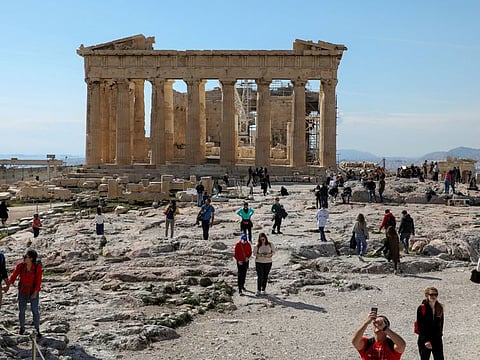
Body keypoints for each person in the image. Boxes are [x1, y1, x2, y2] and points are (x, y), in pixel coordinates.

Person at [8, 248, 43, 337]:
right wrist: (8, 285)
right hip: (23, 291)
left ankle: (37, 329)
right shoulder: (20, 266)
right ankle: (22, 328)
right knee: (22, 310)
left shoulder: (37, 267)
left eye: (25, 256)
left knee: (35, 310)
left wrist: (35, 292)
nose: (23, 258)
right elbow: (13, 276)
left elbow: (38, 281)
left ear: (31, 258)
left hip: (33, 291)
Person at [416, 287, 445, 360]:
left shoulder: (440, 307)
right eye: (431, 294)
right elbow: (420, 326)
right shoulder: (422, 308)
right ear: (427, 295)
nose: (434, 296)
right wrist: (425, 340)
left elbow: (441, 324)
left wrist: (440, 336)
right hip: (425, 339)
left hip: (437, 339)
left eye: (436, 294)